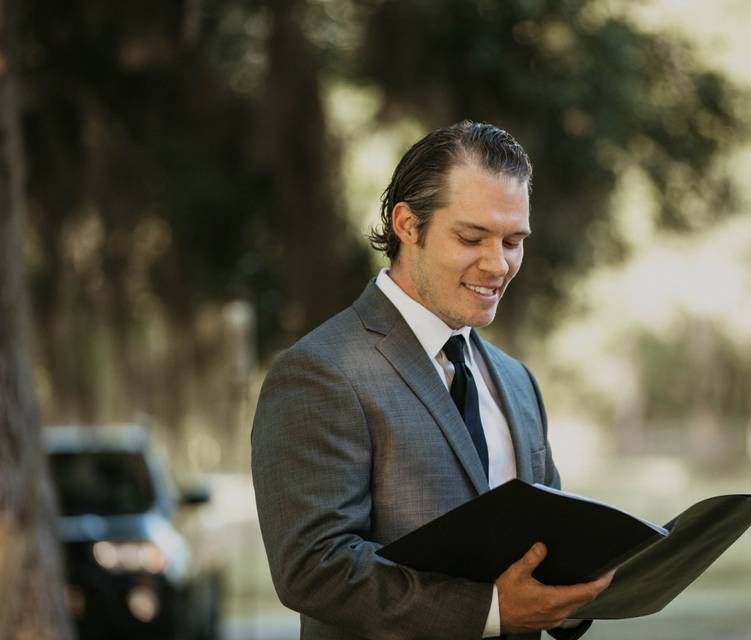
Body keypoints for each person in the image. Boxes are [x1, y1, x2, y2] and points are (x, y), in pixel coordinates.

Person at [251, 121, 611, 640]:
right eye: (471, 237)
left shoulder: (517, 382)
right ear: (407, 224)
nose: (498, 264)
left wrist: (583, 590)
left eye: (514, 241)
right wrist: (490, 611)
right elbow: (314, 567)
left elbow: (546, 548)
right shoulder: (318, 372)